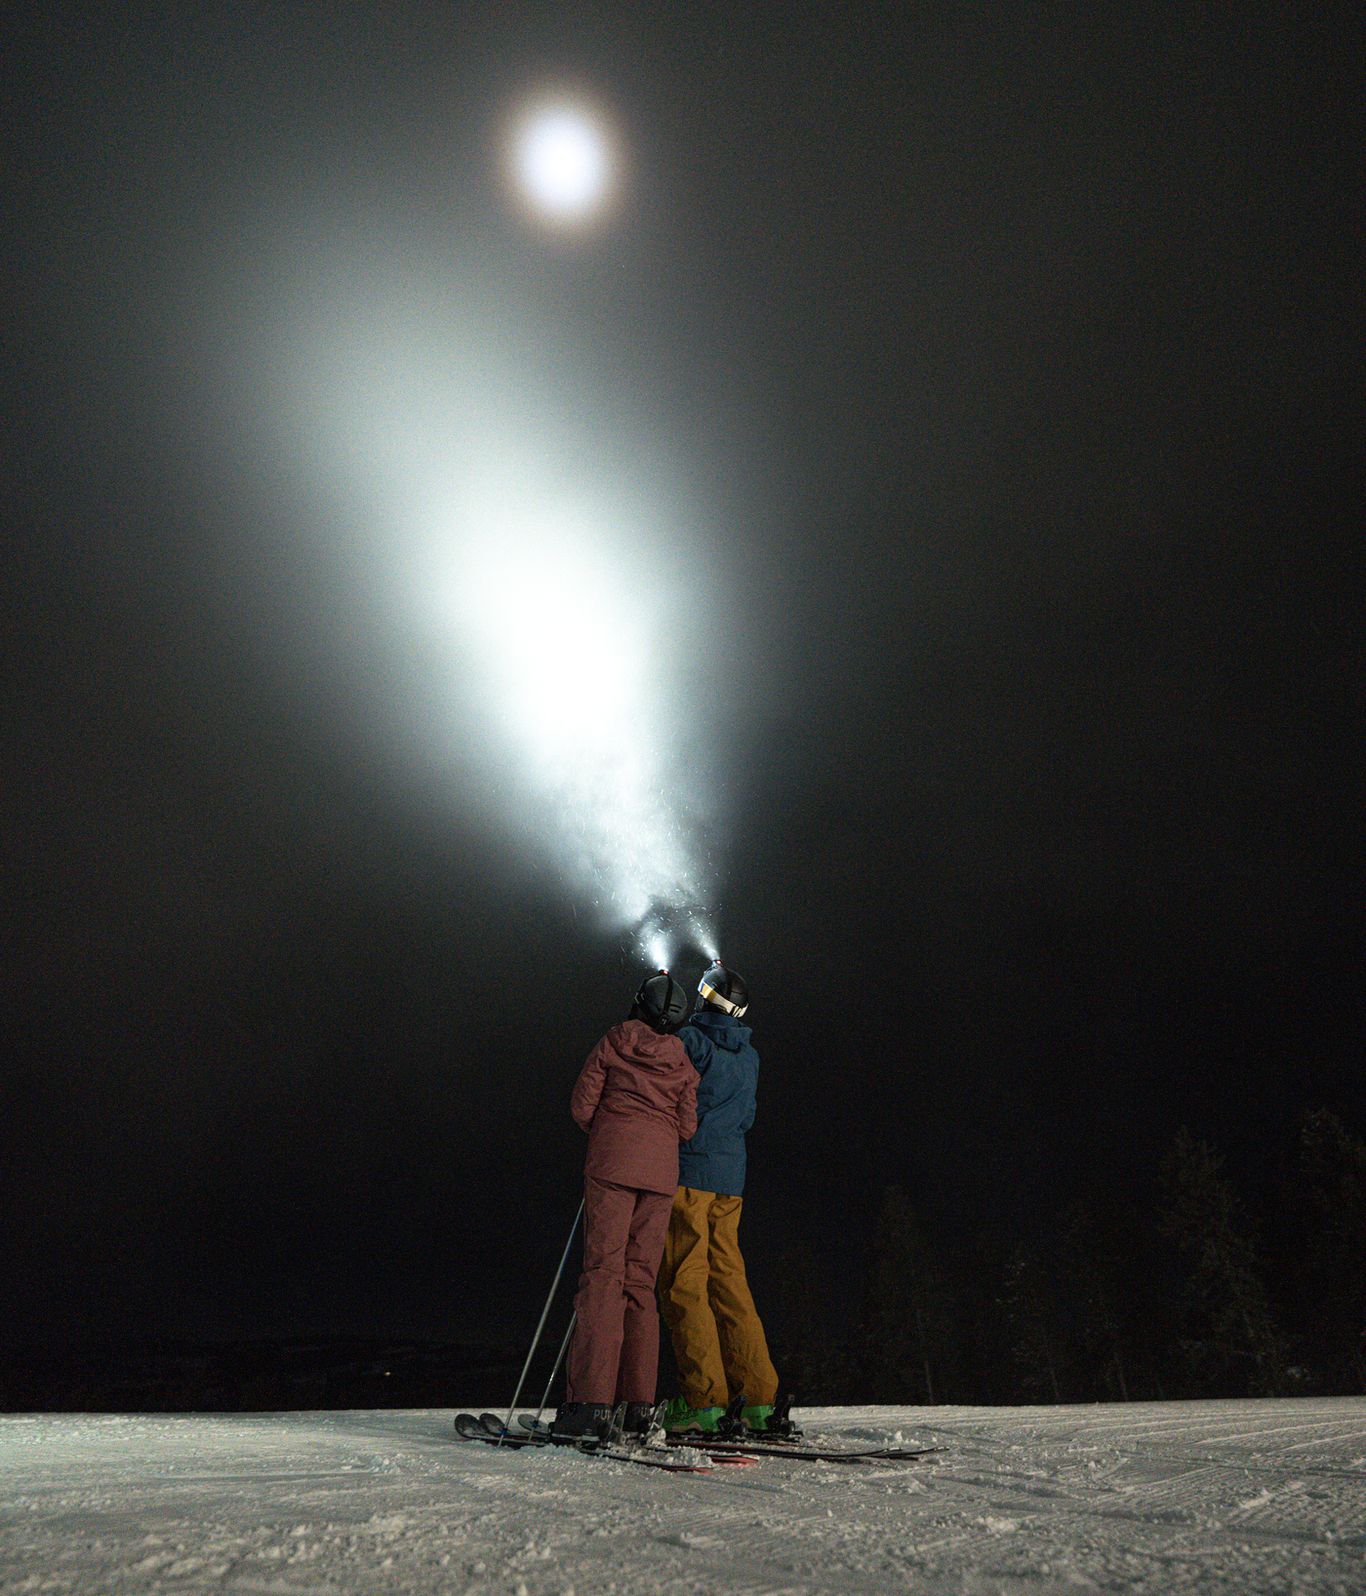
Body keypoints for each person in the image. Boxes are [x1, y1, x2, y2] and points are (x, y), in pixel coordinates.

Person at [554, 969, 698, 1440]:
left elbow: (581, 1105)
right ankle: (638, 1406)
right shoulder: (682, 1060)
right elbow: (687, 1127)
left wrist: (610, 1132)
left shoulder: (615, 1041)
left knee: (602, 1276)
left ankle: (589, 1405)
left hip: (613, 1168)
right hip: (659, 1178)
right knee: (640, 1283)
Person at [657, 961, 782, 1435]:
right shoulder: (750, 1055)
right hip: (732, 1180)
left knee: (685, 1282)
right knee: (730, 1281)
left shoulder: (690, 1042)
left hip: (689, 1173)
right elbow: (745, 1116)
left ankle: (705, 1402)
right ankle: (759, 1400)